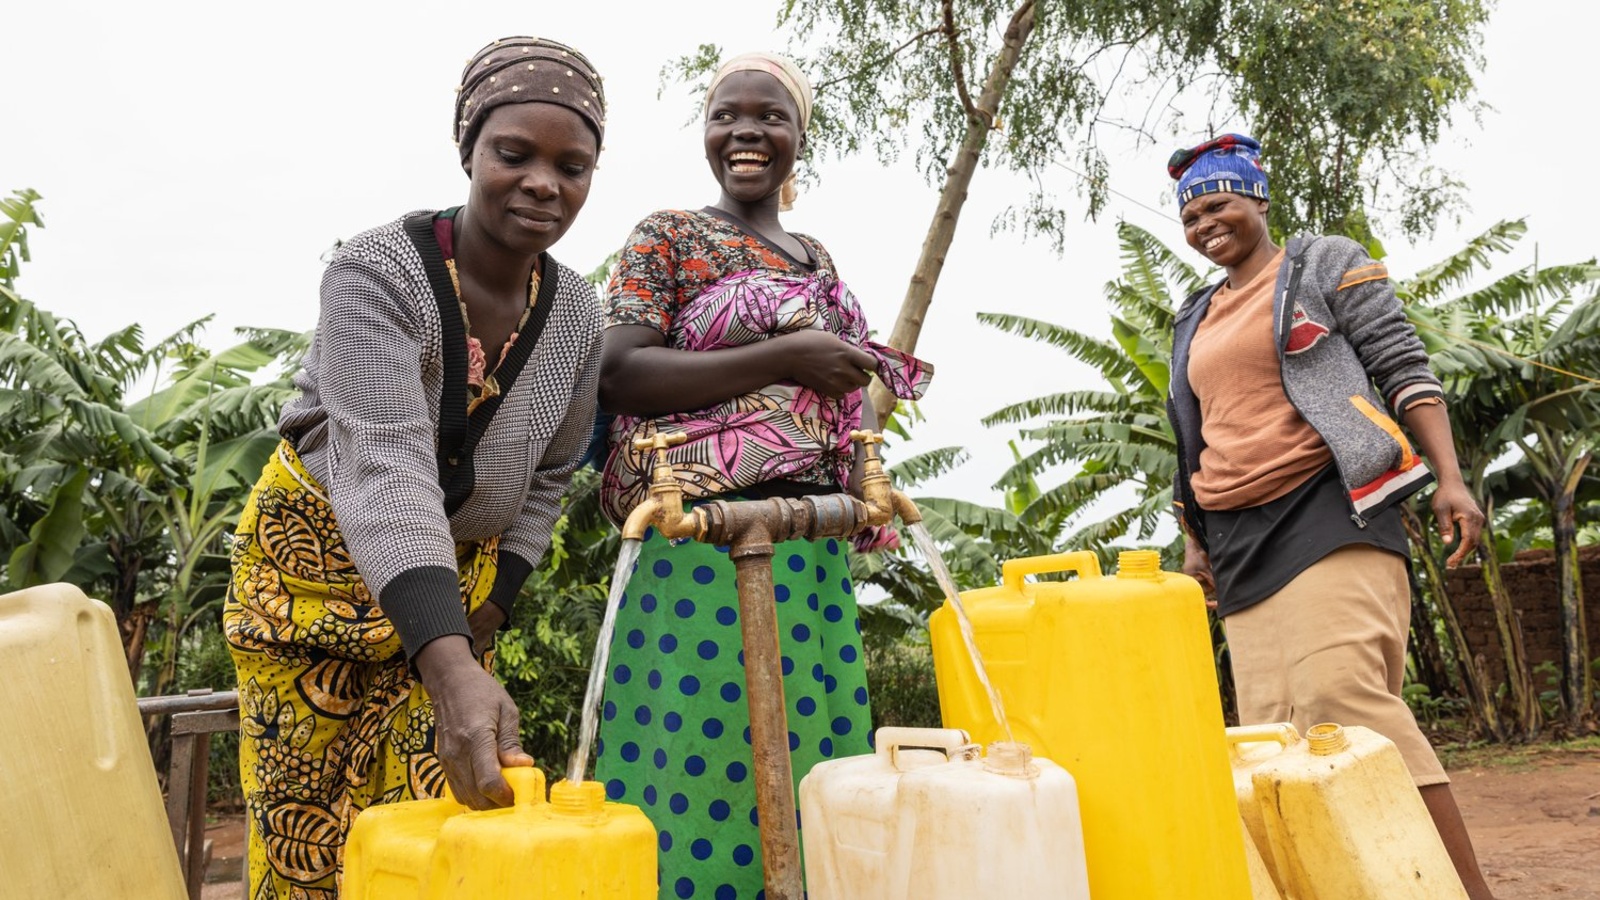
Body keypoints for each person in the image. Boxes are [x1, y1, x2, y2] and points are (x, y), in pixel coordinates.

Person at [222, 36, 605, 899]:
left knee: (428, 838)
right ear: (468, 147)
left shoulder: (579, 313)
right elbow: (384, 461)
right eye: (515, 154)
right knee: (306, 835)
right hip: (309, 582)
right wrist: (449, 658)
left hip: (454, 601)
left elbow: (549, 479)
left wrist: (482, 622)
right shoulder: (377, 272)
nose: (544, 182)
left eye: (572, 166)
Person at [594, 52, 931, 900]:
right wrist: (784, 356)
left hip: (806, 536)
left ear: (799, 138)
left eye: (771, 116)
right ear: (707, 135)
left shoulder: (814, 254)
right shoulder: (667, 235)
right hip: (694, 535)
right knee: (704, 756)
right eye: (726, 115)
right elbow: (621, 373)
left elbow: (843, 397)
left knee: (814, 756)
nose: (747, 131)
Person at [1165, 134, 1497, 897]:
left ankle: (1467, 892)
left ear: (1258, 199)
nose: (1205, 226)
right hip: (1237, 537)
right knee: (1274, 742)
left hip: (1328, 508)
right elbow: (1193, 429)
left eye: (1219, 205)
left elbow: (1401, 363)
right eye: (1190, 218)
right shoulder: (1193, 315)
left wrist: (1450, 477)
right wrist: (1193, 537)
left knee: (1344, 710)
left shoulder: (1320, 264)